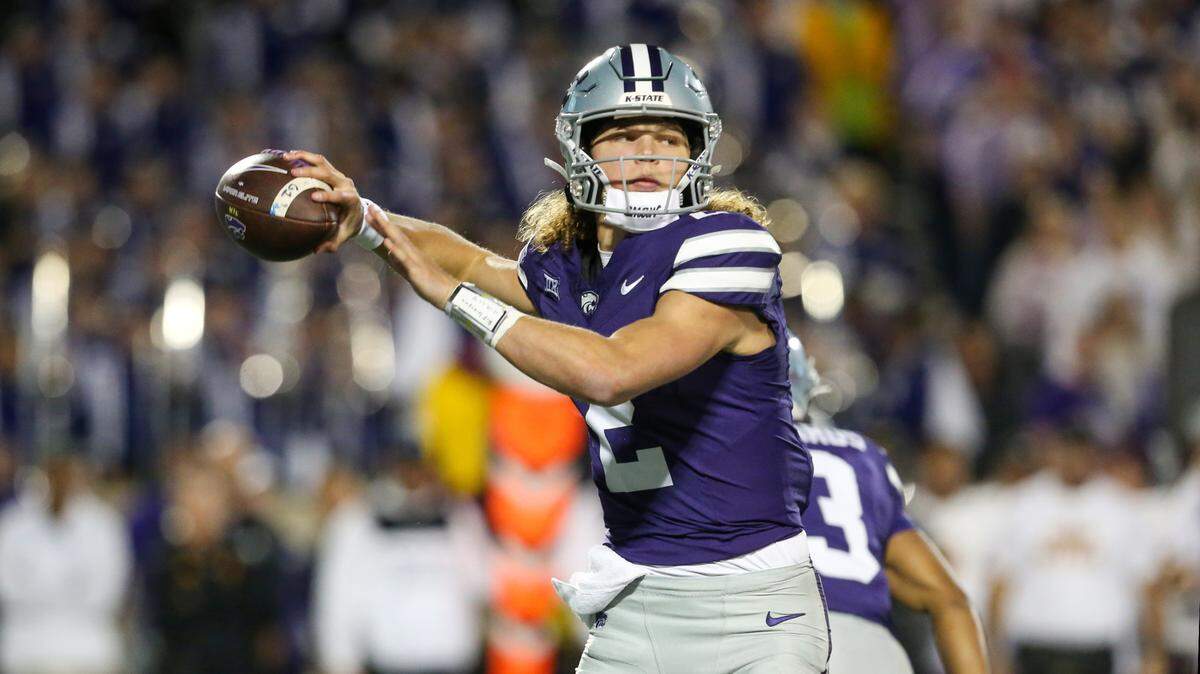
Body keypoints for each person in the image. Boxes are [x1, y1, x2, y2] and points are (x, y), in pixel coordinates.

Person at [285, 43, 830, 672]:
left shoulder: (728, 243)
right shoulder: (569, 269)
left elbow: (610, 370)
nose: (648, 153)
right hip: (635, 596)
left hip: (749, 600)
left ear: (696, 152)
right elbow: (466, 260)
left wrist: (459, 302)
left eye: (668, 138)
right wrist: (368, 221)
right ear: (581, 149)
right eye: (625, 135)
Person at [788, 338, 988, 674]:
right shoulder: (862, 454)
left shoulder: (717, 444)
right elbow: (951, 599)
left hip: (781, 639)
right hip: (871, 648)